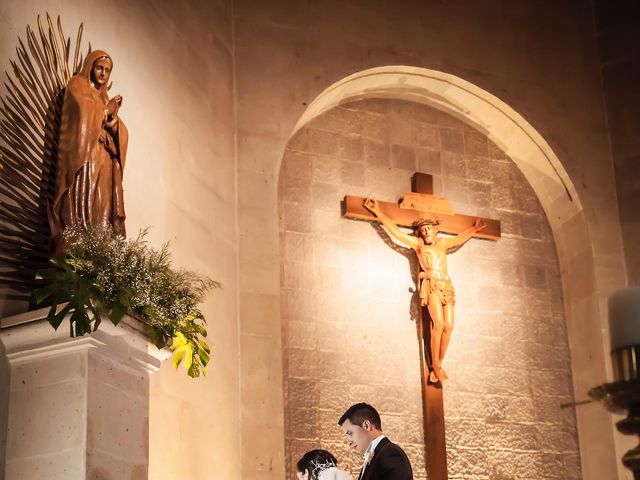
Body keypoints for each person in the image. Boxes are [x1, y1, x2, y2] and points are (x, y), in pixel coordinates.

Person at [364, 198, 485, 383]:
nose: (426, 232)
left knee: (449, 327)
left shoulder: (443, 244)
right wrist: (378, 212)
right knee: (439, 325)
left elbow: (460, 238)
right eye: (423, 230)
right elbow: (395, 232)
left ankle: (437, 365)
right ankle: (435, 367)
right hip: (432, 286)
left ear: (436, 230)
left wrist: (474, 229)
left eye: (429, 228)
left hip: (447, 287)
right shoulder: (419, 246)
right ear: (419, 233)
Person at [49, 49, 128, 254]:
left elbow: (116, 129)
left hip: (105, 159)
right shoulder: (77, 84)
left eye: (107, 70)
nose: (103, 73)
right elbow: (82, 113)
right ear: (90, 67)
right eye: (99, 68)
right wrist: (105, 111)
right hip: (84, 158)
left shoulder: (104, 98)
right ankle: (76, 238)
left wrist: (114, 123)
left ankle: (98, 248)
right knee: (81, 197)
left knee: (101, 205)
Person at [338, 403, 412, 480]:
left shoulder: (390, 453)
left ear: (366, 425)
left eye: (350, 433)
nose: (348, 441)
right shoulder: (375, 456)